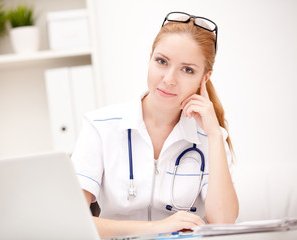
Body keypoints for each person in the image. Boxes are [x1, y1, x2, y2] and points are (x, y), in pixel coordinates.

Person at [71, 11, 239, 238]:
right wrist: (157, 227)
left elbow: (224, 223)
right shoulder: (99, 127)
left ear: (204, 79)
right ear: (150, 58)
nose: (169, 79)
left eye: (187, 69)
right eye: (162, 61)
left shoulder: (210, 137)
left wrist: (215, 136)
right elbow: (73, 222)